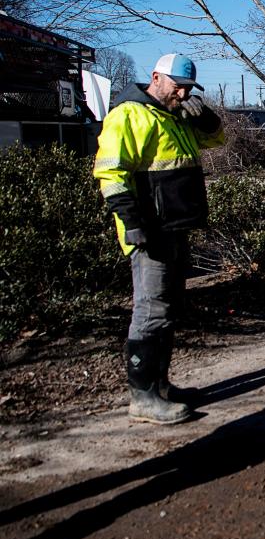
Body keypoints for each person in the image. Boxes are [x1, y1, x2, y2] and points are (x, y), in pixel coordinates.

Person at [94, 53, 225, 425]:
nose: (183, 94)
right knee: (150, 311)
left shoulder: (176, 115)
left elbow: (217, 140)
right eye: (178, 86)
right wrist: (131, 222)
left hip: (175, 227)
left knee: (167, 311)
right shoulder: (129, 115)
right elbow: (110, 172)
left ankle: (161, 385)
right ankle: (143, 396)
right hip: (149, 231)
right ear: (156, 78)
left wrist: (206, 115)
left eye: (188, 89)